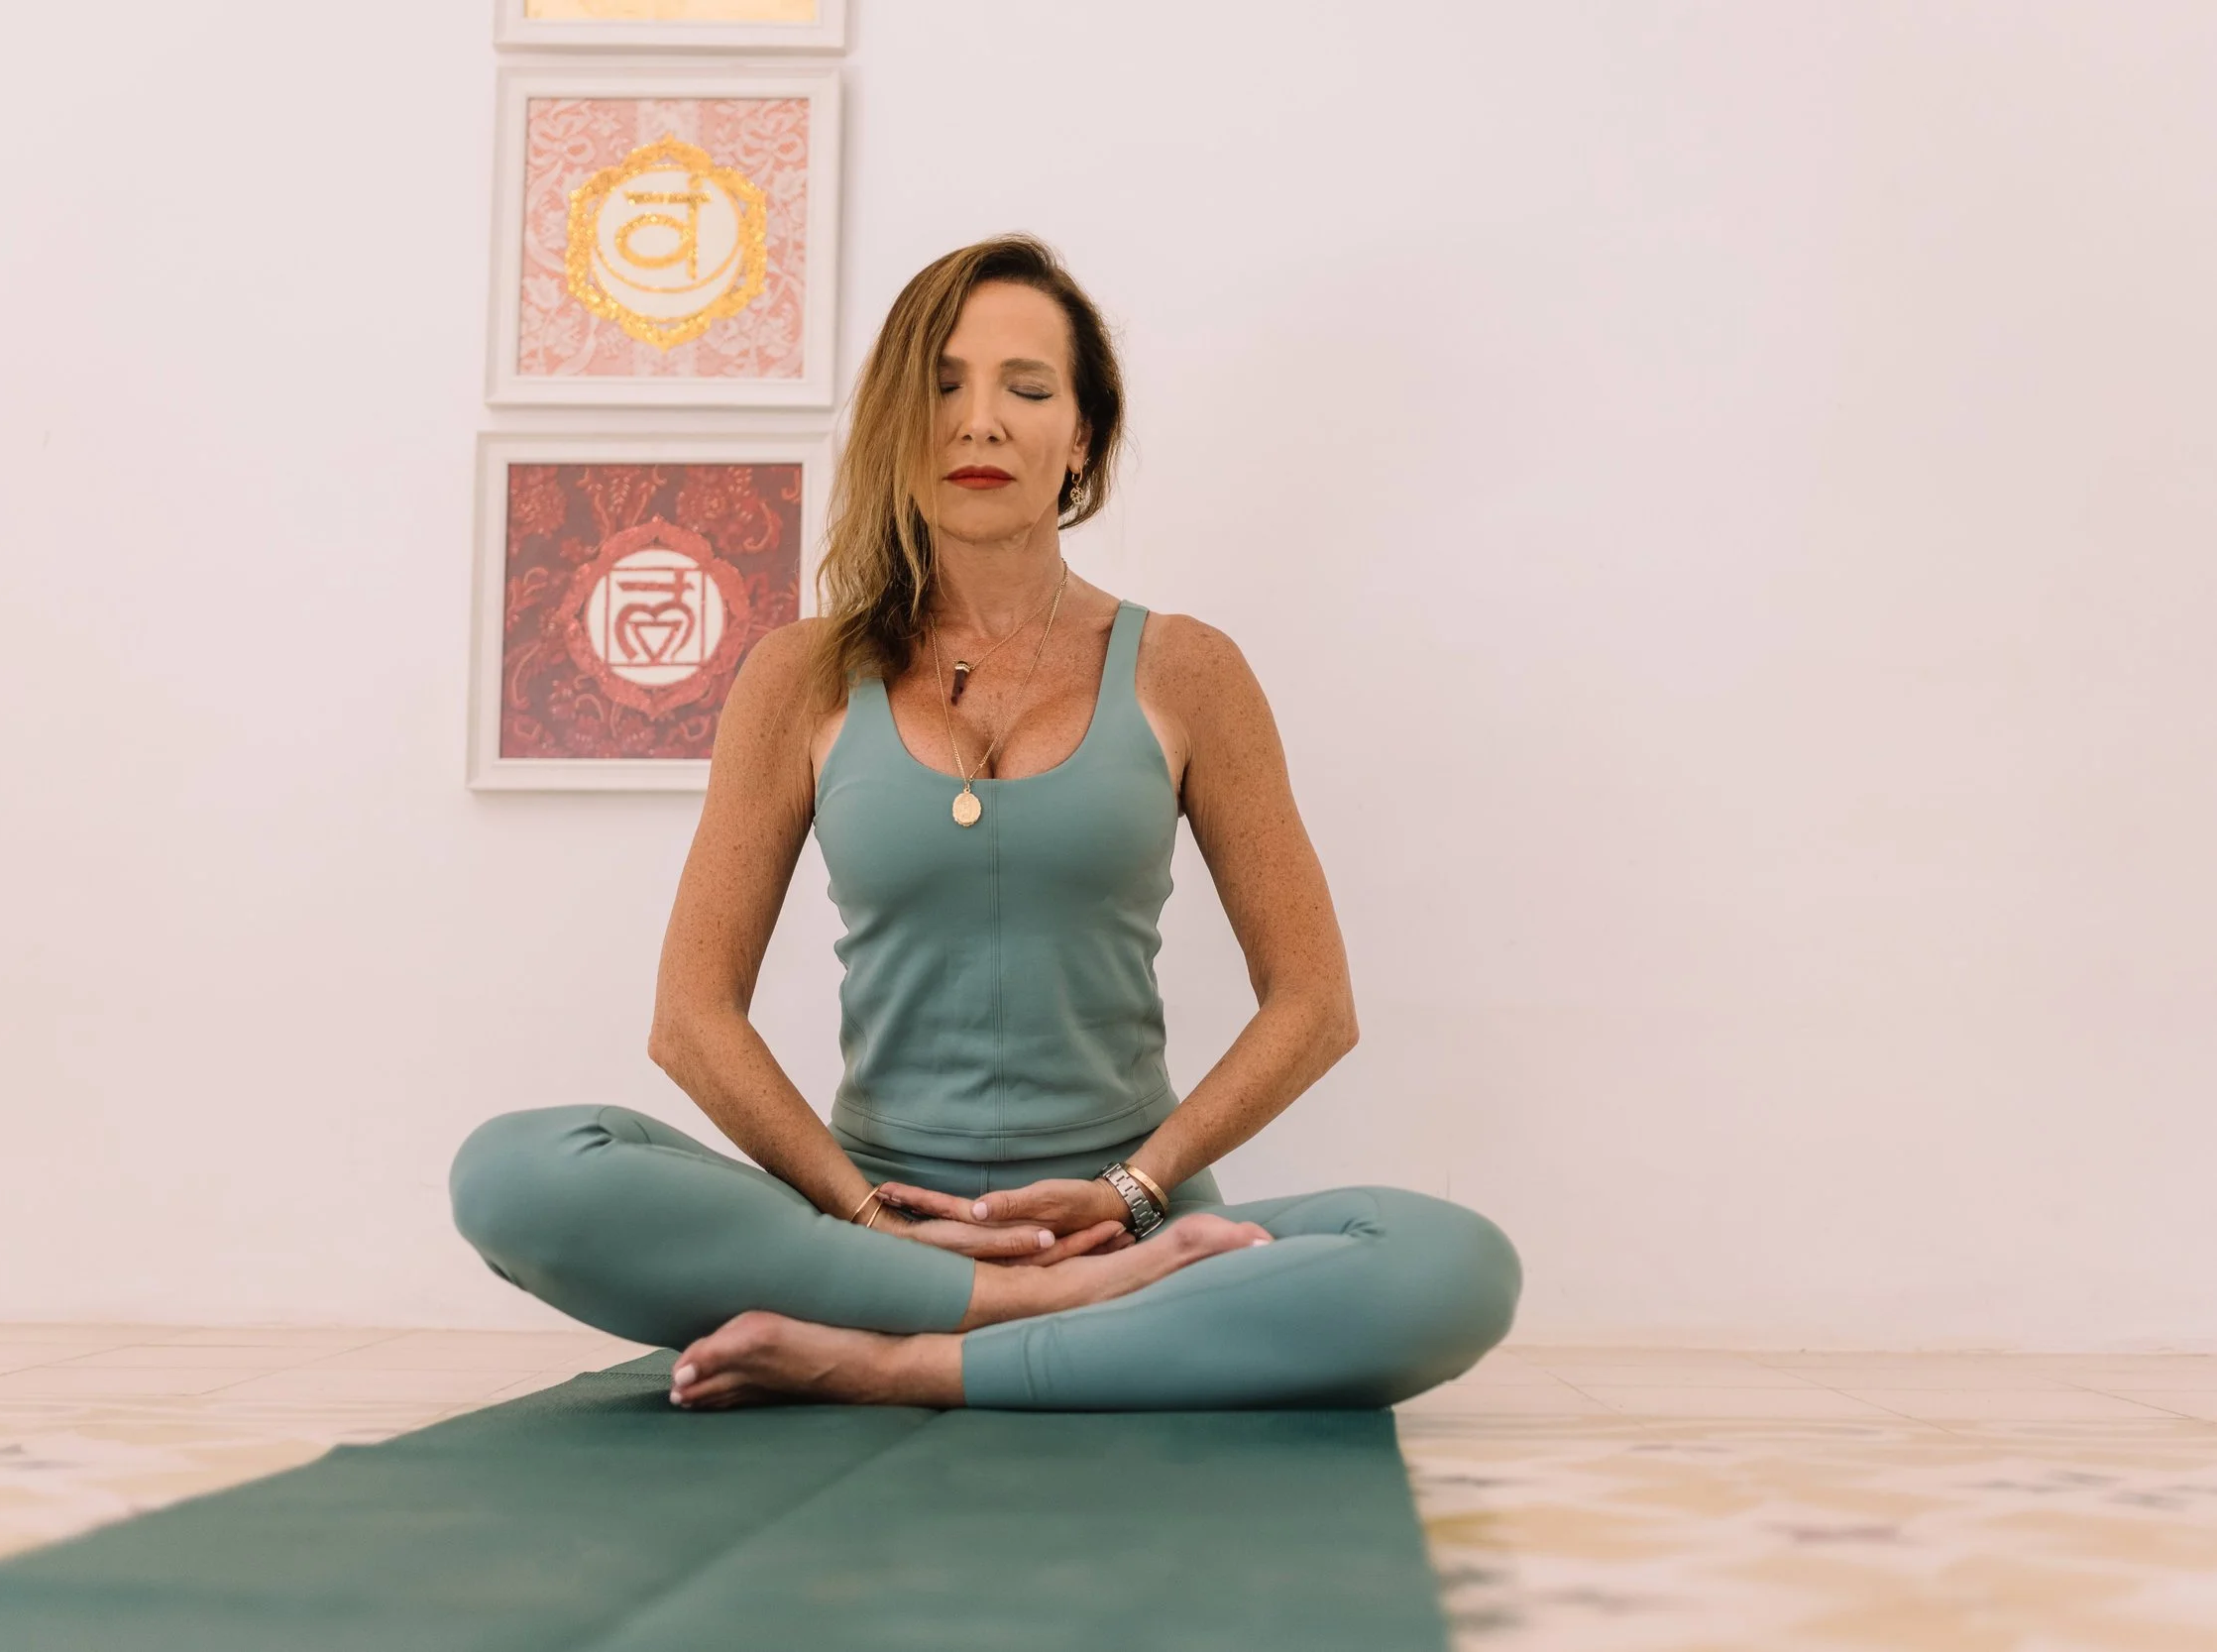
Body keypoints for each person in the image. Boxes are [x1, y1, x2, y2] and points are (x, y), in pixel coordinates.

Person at [449, 234, 1521, 1412]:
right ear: (896, 426)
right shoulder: (800, 674)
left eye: (1027, 388)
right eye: (942, 385)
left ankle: (900, 1357)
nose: (979, 422)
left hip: (1132, 1221)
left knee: (1450, 1266)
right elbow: (691, 1019)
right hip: (870, 1227)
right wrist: (863, 1221)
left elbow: (1314, 1003)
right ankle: (1029, 1318)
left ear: (1083, 439)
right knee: (512, 1172)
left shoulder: (1186, 668)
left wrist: (1131, 1195)